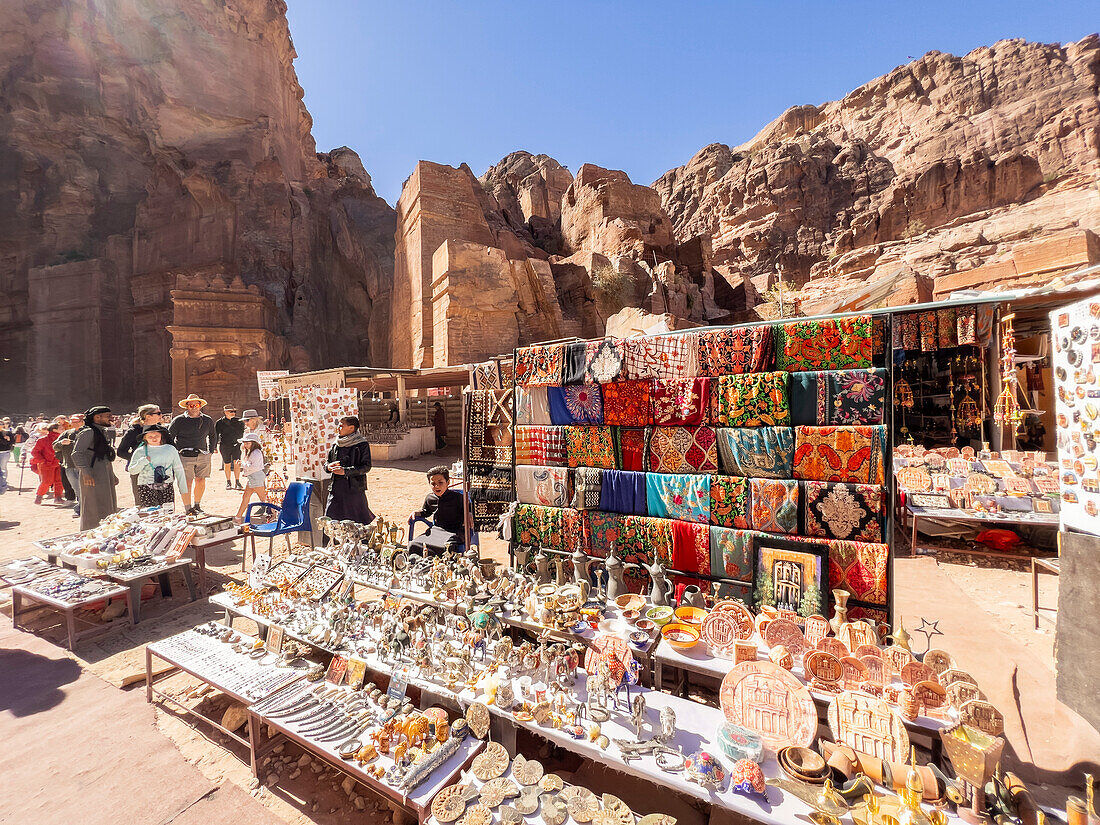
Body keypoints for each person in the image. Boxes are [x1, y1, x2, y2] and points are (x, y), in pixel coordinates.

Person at [72, 405, 119, 530]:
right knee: (93, 507)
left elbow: (103, 455)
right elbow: (77, 454)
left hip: (103, 474)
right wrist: (86, 473)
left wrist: (112, 474)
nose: (112, 418)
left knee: (107, 504)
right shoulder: (88, 432)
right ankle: (90, 533)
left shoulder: (100, 431)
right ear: (97, 417)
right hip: (92, 475)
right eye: (108, 416)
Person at [407, 465, 470, 556]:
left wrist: (470, 513)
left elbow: (470, 507)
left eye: (440, 482)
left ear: (447, 482)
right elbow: (426, 512)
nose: (436, 486)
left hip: (454, 532)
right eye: (433, 483)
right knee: (413, 545)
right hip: (436, 531)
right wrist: (416, 513)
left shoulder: (458, 497)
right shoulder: (430, 498)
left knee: (447, 548)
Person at [168, 393, 215, 515]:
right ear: (187, 407)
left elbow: (213, 436)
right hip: (184, 456)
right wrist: (175, 453)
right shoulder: (178, 420)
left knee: (201, 480)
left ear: (200, 406)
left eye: (196, 404)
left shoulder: (207, 420)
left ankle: (197, 505)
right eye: (191, 405)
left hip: (202, 455)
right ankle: (188, 508)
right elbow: (169, 438)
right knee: (187, 482)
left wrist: (210, 451)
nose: (194, 407)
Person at [324, 416, 374, 524]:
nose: (338, 428)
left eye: (341, 425)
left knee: (356, 523)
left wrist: (345, 471)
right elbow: (327, 462)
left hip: (354, 490)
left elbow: (366, 466)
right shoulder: (336, 444)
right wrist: (328, 467)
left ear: (351, 428)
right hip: (336, 489)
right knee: (331, 522)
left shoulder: (361, 445)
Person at [118, 404, 172, 505]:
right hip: (139, 472)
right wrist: (139, 459)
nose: (162, 415)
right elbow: (121, 451)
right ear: (148, 416)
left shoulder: (163, 431)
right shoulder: (134, 431)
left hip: (161, 471)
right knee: (142, 504)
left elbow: (173, 448)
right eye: (158, 413)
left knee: (164, 503)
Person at [126, 424, 187, 511]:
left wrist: (183, 488)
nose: (154, 438)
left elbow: (178, 469)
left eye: (156, 436)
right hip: (146, 487)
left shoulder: (170, 449)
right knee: (151, 515)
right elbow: (132, 471)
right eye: (150, 436)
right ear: (145, 438)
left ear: (161, 436)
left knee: (168, 514)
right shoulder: (140, 451)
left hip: (167, 485)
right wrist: (142, 462)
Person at [53, 413, 84, 517]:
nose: (74, 424)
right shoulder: (66, 433)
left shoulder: (87, 432)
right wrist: (61, 443)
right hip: (69, 465)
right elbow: (55, 446)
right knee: (76, 488)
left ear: (82, 422)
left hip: (83, 465)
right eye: (73, 421)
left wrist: (71, 443)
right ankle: (80, 508)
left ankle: (83, 508)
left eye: (77, 421)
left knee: (84, 488)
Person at [235, 432, 269, 524]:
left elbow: (252, 466)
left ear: (253, 443)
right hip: (253, 477)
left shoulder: (255, 453)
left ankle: (274, 514)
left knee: (263, 498)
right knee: (247, 496)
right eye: (245, 443)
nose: (245, 445)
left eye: (247, 443)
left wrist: (241, 464)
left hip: (255, 477)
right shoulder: (254, 452)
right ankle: (238, 516)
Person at [31, 422, 64, 504]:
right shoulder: (43, 440)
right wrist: (42, 460)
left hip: (59, 463)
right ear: (54, 430)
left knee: (59, 481)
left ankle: (58, 497)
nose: (63, 429)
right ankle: (39, 496)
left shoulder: (62, 439)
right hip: (46, 464)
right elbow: (35, 452)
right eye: (61, 428)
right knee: (46, 481)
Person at [215, 406, 245, 490]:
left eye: (234, 411)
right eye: (231, 411)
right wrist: (214, 447)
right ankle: (228, 482)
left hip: (237, 444)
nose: (233, 413)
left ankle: (237, 481)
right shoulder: (219, 422)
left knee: (237, 463)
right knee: (227, 463)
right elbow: (216, 434)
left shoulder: (239, 421)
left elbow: (242, 433)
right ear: (225, 412)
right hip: (225, 445)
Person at [0, 419, 12, 493]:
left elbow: (12, 442)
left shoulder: (7, 433)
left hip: (5, 452)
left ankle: (3, 484)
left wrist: (8, 440)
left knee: (3, 468)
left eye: (1, 424)